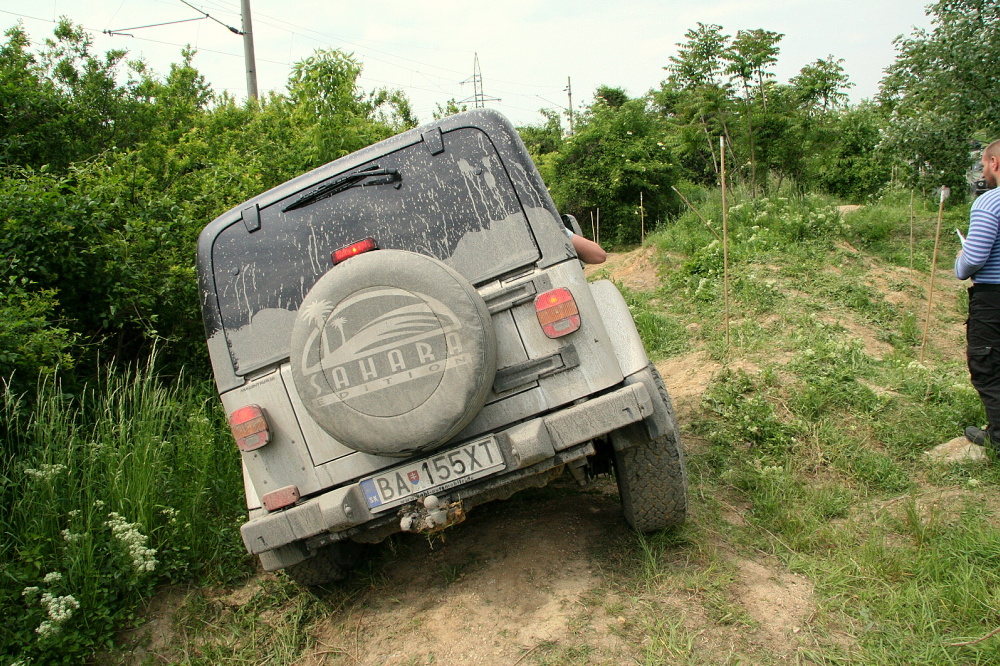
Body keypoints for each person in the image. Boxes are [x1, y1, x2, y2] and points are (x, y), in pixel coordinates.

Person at [957, 139, 1000, 451]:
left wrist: (960, 259)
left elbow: (972, 260)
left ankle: (998, 436)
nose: (983, 170)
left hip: (993, 297)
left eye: (984, 164)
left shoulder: (989, 203)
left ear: (995, 163)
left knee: (986, 365)